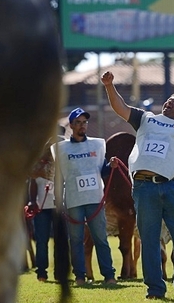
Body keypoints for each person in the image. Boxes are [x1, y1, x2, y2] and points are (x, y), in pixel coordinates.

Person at [101, 71, 174, 300]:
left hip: (173, 187)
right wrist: (109, 86)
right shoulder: (147, 119)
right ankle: (155, 289)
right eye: (168, 100)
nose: (169, 102)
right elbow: (121, 108)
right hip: (144, 187)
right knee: (148, 239)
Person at [52, 107, 117, 286]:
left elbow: (102, 170)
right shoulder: (61, 149)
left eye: (84, 122)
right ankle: (80, 276)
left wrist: (110, 166)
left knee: (101, 239)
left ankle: (109, 275)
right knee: (76, 240)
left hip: (95, 199)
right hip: (73, 200)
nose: (82, 126)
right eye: (78, 123)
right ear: (71, 126)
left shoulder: (97, 145)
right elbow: (58, 175)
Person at [27, 136, 64, 282]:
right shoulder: (37, 165)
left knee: (59, 241)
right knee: (42, 241)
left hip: (59, 207)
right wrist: (32, 201)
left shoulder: (63, 164)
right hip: (42, 208)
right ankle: (41, 272)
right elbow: (33, 183)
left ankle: (59, 272)